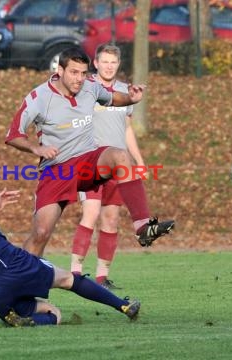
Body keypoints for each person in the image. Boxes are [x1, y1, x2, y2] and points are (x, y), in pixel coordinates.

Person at [0, 138, 141, 326]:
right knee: (69, 279)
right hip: (7, 265)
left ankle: (19, 318)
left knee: (53, 313)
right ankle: (123, 306)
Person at [5, 47, 174, 257]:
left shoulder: (90, 87)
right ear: (60, 70)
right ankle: (19, 277)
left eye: (83, 73)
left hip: (87, 161)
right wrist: (36, 148)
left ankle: (142, 226)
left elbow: (112, 98)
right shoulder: (38, 97)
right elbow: (13, 135)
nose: (79, 79)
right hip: (58, 170)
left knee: (120, 156)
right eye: (74, 72)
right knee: (41, 233)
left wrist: (131, 99)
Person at [71, 44, 146, 289]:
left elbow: (126, 130)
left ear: (118, 64)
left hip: (119, 165)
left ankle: (102, 277)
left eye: (113, 62)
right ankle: (76, 273)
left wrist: (139, 160)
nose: (109, 66)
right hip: (91, 163)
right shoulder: (87, 89)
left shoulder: (126, 92)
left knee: (111, 219)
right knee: (91, 213)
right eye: (105, 61)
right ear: (96, 63)